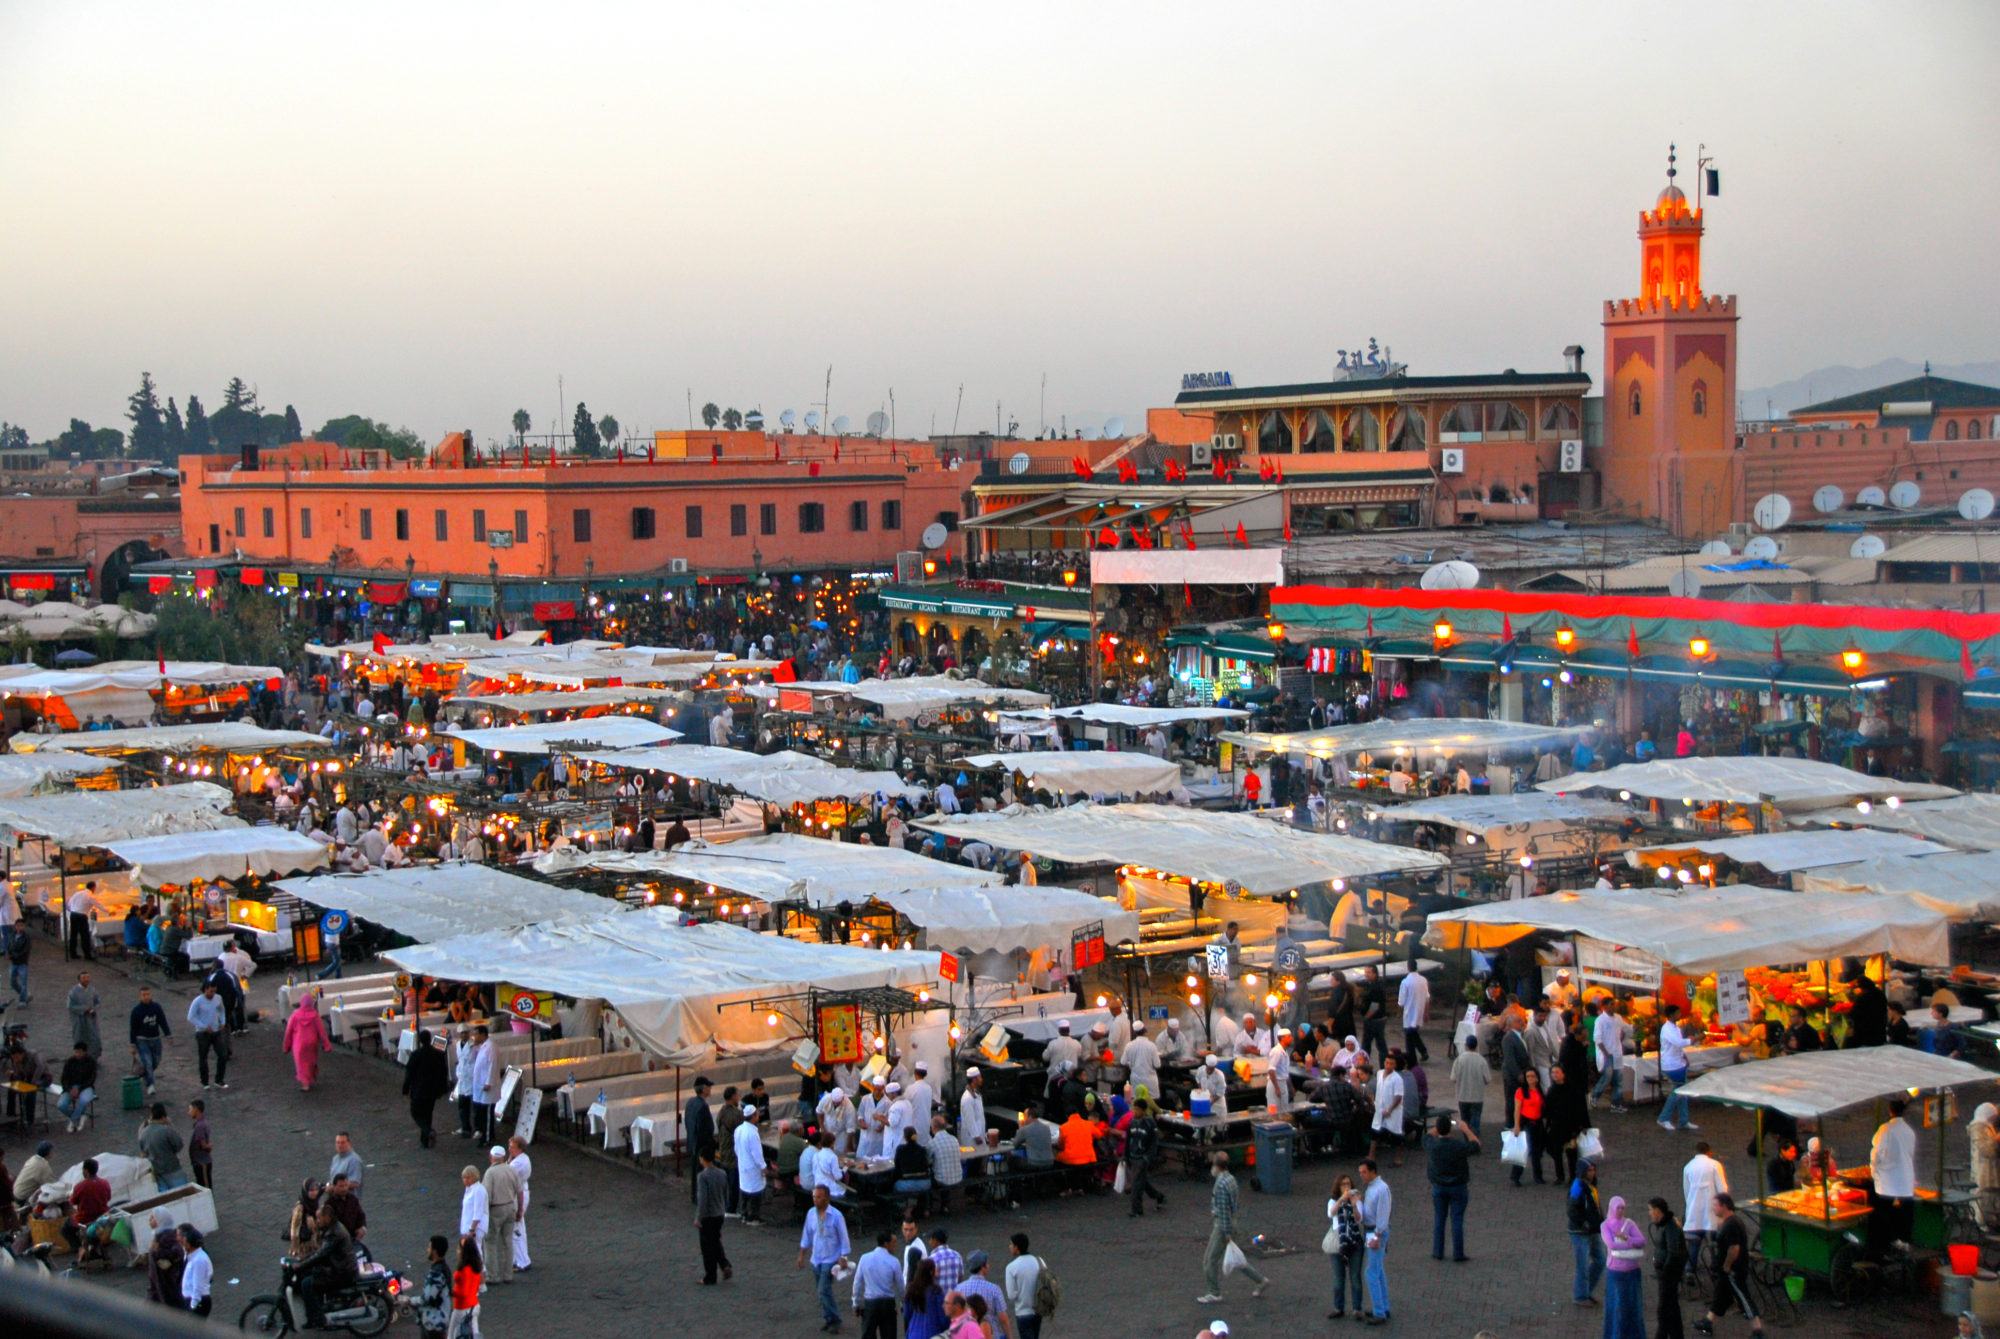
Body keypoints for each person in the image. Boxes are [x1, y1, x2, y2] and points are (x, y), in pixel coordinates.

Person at [1197, 1150, 1269, 1304]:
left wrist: (1227, 1232)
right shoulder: (1231, 1179)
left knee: (1210, 1260)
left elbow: (1223, 1210)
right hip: (1231, 1222)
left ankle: (1214, 1292)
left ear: (1216, 1165)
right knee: (1235, 1257)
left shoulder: (1221, 1184)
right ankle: (1260, 1280)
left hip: (1223, 1226)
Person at [1693, 1194, 1763, 1337]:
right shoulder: (1729, 1221)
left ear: (1724, 1206)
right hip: (1728, 1270)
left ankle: (1758, 1330)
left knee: (1743, 1297)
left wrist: (1726, 1266)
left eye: (1716, 1205)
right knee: (1721, 1295)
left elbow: (1734, 1249)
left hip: (1733, 1269)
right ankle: (1708, 1321)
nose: (1713, 1208)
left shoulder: (1731, 1225)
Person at [1424, 1112, 1478, 1263]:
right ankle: (1458, 1253)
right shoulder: (1458, 1146)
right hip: (1458, 1187)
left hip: (1439, 1186)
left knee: (1439, 1219)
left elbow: (1427, 1136)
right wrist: (1466, 1129)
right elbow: (1476, 1145)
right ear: (1451, 1130)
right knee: (1457, 1220)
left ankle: (1438, 1251)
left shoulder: (1432, 1146)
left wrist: (1436, 1129)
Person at [798, 1183, 852, 1333]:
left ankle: (835, 1319)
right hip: (816, 1259)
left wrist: (843, 1257)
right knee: (822, 1291)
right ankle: (828, 1318)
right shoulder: (810, 1214)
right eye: (814, 1197)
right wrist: (801, 1255)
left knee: (823, 1289)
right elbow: (806, 1235)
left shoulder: (836, 1216)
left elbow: (844, 1238)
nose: (815, 1200)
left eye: (819, 1197)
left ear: (827, 1198)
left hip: (830, 1259)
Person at [1868, 1097, 1917, 1257]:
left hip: (1888, 1178)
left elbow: (1877, 1152)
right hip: (1905, 1176)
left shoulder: (1886, 1129)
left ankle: (1889, 1241)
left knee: (1883, 1210)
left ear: (1890, 1111)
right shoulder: (1909, 1131)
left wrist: (1874, 1170)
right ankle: (1905, 1241)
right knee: (1906, 1210)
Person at [297, 1204, 359, 1327]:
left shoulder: (334, 1233)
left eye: (319, 1218)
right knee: (311, 1276)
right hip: (340, 1267)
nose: (317, 1221)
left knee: (306, 1284)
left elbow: (321, 1254)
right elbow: (321, 1252)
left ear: (327, 1218)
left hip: (341, 1272)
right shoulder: (333, 1228)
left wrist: (300, 1265)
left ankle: (318, 1318)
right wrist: (304, 1259)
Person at [1603, 1196, 1648, 1339]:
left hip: (1632, 1271)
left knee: (1633, 1307)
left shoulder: (1629, 1224)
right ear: (1612, 1208)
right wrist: (1630, 1244)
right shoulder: (1605, 1225)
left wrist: (1627, 1239)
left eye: (1623, 1207)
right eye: (1618, 1207)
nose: (1621, 1210)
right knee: (1617, 1307)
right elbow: (1611, 1245)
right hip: (1616, 1273)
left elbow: (1642, 1241)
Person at [1325, 1172, 1366, 1319]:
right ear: (1339, 1187)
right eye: (1343, 1184)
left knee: (1355, 1276)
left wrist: (1354, 1205)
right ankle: (1338, 1307)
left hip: (1354, 1240)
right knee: (1338, 1277)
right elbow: (1331, 1213)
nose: (1346, 1187)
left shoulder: (1357, 1201)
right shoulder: (1333, 1201)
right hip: (1338, 1241)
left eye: (1348, 1184)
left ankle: (1357, 1308)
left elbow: (1359, 1219)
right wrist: (1341, 1200)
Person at [1357, 1156, 1393, 1324]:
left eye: (1364, 1172)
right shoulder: (1373, 1187)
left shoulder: (1381, 1189)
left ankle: (1380, 1312)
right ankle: (1383, 1307)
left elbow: (1382, 1214)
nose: (1362, 1175)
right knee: (1378, 1271)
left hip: (1375, 1232)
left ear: (1373, 1171)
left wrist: (1378, 1235)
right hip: (1371, 1230)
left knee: (1371, 1273)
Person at [1649, 1197, 1689, 1339]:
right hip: (1667, 1275)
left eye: (1651, 1210)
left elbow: (1673, 1253)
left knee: (1664, 1310)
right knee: (1672, 1307)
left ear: (1658, 1211)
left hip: (1669, 1276)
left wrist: (1664, 1269)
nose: (1650, 1213)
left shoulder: (1670, 1227)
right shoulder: (1665, 1225)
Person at [852, 1227, 903, 1339]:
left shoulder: (864, 1258)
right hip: (888, 1305)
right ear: (886, 1244)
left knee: (868, 1335)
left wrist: (856, 1303)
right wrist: (903, 1303)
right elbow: (901, 1286)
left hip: (870, 1304)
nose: (894, 1245)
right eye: (893, 1242)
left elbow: (857, 1283)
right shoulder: (894, 1262)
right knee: (889, 1335)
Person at [404, 1029, 451, 1147]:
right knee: (428, 1113)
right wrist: (443, 1088)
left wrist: (405, 1089)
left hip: (419, 1089)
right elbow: (443, 1072)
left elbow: (409, 1073)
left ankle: (428, 1131)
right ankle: (425, 1139)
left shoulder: (416, 1055)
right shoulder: (438, 1054)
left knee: (415, 1112)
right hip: (433, 1089)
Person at [482, 1146, 522, 1284]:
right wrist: (520, 1210)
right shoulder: (511, 1170)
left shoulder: (490, 1173)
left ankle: (493, 1276)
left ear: (491, 1157)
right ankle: (508, 1274)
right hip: (511, 1206)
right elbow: (520, 1191)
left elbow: (486, 1196)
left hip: (495, 1209)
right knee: (508, 1241)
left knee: (490, 1242)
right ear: (504, 1157)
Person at [1569, 1158, 1606, 1306]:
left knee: (1600, 1260)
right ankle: (1581, 1296)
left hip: (1592, 1230)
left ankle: (1585, 1291)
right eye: (1589, 1170)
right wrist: (1584, 1224)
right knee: (1582, 1265)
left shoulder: (1591, 1185)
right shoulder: (1578, 1186)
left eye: (1593, 1169)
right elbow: (1571, 1209)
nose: (1592, 1173)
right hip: (1580, 1231)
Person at [1682, 1143, 1729, 1260]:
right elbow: (1722, 1189)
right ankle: (1715, 1266)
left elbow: (1686, 1191)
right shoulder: (1715, 1165)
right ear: (1709, 1152)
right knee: (1715, 1241)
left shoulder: (1688, 1167)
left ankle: (1690, 1269)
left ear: (1695, 1152)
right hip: (1713, 1209)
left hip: (1694, 1209)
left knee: (1694, 1242)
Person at [695, 1146, 732, 1285]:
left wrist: (699, 1218)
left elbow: (702, 1199)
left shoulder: (703, 1176)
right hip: (719, 1213)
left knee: (707, 1246)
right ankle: (724, 1264)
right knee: (715, 1241)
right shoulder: (722, 1173)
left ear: (702, 1159)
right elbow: (725, 1192)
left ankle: (710, 1276)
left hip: (708, 1215)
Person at [61, 1157, 112, 1258]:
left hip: (85, 1219)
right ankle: (93, 1247)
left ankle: (80, 1249)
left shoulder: (80, 1186)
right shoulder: (105, 1183)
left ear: (86, 1171)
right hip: (102, 1217)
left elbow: (72, 1201)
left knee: (65, 1229)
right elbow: (108, 1198)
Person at [1124, 1097, 1167, 1217]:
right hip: (1133, 1156)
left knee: (1136, 1185)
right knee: (1141, 1181)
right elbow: (1128, 1139)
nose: (1135, 1112)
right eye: (1134, 1109)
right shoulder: (1132, 1122)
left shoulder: (1149, 1123)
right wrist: (1125, 1155)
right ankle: (1158, 1196)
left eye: (1137, 1109)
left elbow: (1153, 1142)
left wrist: (1147, 1157)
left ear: (1144, 1110)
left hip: (1143, 1158)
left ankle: (1137, 1210)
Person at [959, 1251, 1014, 1339]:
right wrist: (1009, 1337)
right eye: (987, 1264)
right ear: (982, 1267)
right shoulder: (994, 1289)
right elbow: (1003, 1319)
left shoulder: (959, 1289)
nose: (989, 1266)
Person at [129, 985, 173, 1096]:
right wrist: (133, 1044)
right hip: (142, 1040)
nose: (146, 997)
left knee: (156, 1061)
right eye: (144, 995)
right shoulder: (136, 1011)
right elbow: (133, 1029)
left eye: (148, 994)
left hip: (156, 1039)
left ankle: (146, 1074)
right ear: (140, 996)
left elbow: (163, 1021)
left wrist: (168, 1035)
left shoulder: (156, 1008)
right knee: (147, 1062)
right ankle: (150, 1084)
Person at [285, 992, 333, 1092]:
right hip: (312, 1042)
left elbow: (288, 1031)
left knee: (301, 1064)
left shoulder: (295, 1015)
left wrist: (286, 1046)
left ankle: (305, 1084)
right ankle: (311, 1077)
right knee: (310, 1062)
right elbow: (322, 1031)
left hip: (299, 1043)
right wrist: (327, 1045)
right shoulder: (315, 1015)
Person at [187, 978, 230, 1089]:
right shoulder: (198, 1001)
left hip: (216, 1031)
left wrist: (223, 1021)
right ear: (205, 989)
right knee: (203, 1057)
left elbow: (221, 1010)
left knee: (223, 1055)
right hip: (202, 1033)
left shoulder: (218, 998)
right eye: (210, 991)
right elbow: (191, 1017)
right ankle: (205, 1081)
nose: (212, 994)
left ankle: (219, 1080)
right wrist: (203, 1026)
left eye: (214, 991)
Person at [1657, 1004, 1694, 1132]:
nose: (1680, 1015)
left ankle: (1683, 1120)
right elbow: (1678, 1042)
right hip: (1671, 1064)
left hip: (1678, 1062)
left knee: (1682, 1092)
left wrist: (1684, 1056)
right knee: (1678, 1091)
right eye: (1678, 1013)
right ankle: (1664, 1118)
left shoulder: (1676, 1028)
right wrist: (1693, 1040)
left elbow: (1678, 1045)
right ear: (1672, 1015)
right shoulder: (1666, 1029)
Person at [139, 1102, 188, 1189]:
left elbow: (143, 1151)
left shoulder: (143, 1132)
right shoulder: (167, 1130)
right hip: (172, 1169)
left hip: (156, 1171)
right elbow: (179, 1145)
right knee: (181, 1193)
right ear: (163, 1117)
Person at [1003, 1233, 1044, 1339]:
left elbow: (1011, 1295)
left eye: (1011, 1244)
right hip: (1038, 1310)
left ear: (1017, 1247)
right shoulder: (1039, 1262)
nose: (1010, 1247)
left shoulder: (1011, 1267)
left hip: (1022, 1312)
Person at [1451, 1032, 1492, 1136]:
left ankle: (1466, 1140)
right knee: (1476, 1121)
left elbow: (1453, 1078)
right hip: (1477, 1097)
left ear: (1466, 1045)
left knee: (1465, 1122)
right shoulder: (1481, 1060)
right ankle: (1475, 1141)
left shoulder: (1459, 1060)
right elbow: (1487, 1079)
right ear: (1476, 1045)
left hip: (1463, 1097)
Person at [1370, 1052, 1406, 1166]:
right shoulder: (1380, 1073)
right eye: (1387, 1062)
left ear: (1395, 1065)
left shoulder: (1397, 1078)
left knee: (1396, 1134)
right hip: (1380, 1108)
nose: (1388, 1065)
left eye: (1391, 1063)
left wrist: (1390, 1109)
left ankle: (1398, 1158)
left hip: (1393, 1111)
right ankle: (1371, 1156)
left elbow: (1398, 1096)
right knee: (1375, 1131)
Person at [735, 1103, 768, 1224]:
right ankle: (753, 1217)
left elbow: (736, 1148)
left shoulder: (738, 1130)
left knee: (744, 1189)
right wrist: (763, 1167)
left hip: (743, 1164)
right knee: (755, 1192)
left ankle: (743, 1213)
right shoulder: (753, 1133)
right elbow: (757, 1153)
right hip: (752, 1167)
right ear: (753, 1116)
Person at [1969, 1103, 2000, 1230]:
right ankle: (1979, 1223)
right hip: (1983, 1170)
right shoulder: (1978, 1129)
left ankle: (1989, 1220)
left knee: (1990, 1196)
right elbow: (1986, 1150)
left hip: (1989, 1169)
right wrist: (1997, 1138)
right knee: (1981, 1196)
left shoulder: (1986, 1127)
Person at [416, 1235, 453, 1339]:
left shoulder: (436, 1273)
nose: (427, 1250)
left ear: (435, 1251)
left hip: (434, 1321)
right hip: (441, 1319)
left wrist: (409, 1301)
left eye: (429, 1247)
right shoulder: (445, 1268)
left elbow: (428, 1298)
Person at [506, 1136, 533, 1272]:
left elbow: (505, 1175)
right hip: (522, 1191)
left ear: (520, 1148)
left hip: (518, 1195)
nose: (509, 1149)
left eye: (512, 1147)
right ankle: (520, 1259)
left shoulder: (517, 1163)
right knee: (519, 1227)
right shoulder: (523, 1159)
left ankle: (522, 1261)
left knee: (515, 1229)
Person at [57, 1040, 97, 1132]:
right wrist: (69, 1089)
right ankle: (79, 1116)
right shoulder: (70, 1062)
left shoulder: (91, 1062)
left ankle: (73, 1120)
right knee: (61, 1105)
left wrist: (79, 1088)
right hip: (71, 1088)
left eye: (79, 1052)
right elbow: (64, 1078)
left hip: (85, 1087)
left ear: (84, 1052)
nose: (77, 1054)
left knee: (84, 1101)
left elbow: (91, 1080)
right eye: (76, 1052)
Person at [447, 1235, 482, 1339]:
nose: (457, 1251)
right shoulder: (476, 1267)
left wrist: (451, 1292)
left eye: (459, 1249)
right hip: (474, 1305)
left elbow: (462, 1293)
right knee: (474, 1334)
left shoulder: (463, 1271)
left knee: (452, 1335)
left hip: (461, 1308)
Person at [905, 1257, 948, 1339]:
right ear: (931, 1272)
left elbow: (907, 1314)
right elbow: (943, 1317)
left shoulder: (911, 1289)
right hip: (933, 1333)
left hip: (914, 1333)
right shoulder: (937, 1292)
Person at [179, 1225, 214, 1318]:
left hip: (198, 1301)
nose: (183, 1243)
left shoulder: (199, 1260)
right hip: (191, 1299)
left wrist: (193, 1306)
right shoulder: (192, 1256)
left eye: (185, 1241)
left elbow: (198, 1285)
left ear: (190, 1244)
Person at [1398, 967, 1431, 1064]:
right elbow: (1427, 998)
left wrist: (1399, 1012)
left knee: (1409, 1037)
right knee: (1413, 1034)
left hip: (1409, 1013)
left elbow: (1401, 1001)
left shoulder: (1405, 982)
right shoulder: (1423, 980)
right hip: (1419, 1012)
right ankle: (1423, 1051)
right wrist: (1426, 1012)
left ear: (1408, 968)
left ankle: (1412, 1059)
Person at [68, 968, 102, 1057]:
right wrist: (84, 1009)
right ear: (79, 980)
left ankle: (94, 1055)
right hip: (79, 1019)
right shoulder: (74, 992)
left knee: (94, 1037)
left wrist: (93, 1009)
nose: (86, 980)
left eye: (88, 977)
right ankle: (81, 1055)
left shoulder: (92, 990)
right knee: (80, 1037)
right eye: (84, 978)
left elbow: (97, 1002)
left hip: (91, 1019)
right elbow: (70, 1006)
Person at [458, 1165, 489, 1258]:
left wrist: (472, 1229)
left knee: (475, 1250)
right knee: (471, 1251)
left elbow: (478, 1211)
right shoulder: (469, 1189)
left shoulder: (478, 1190)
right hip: (469, 1227)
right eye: (464, 1178)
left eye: (468, 1178)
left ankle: (480, 1269)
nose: (465, 1180)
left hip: (476, 1227)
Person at [187, 1100, 213, 1190]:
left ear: (196, 1110)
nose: (189, 1112)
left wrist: (209, 1145)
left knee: (205, 1188)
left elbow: (204, 1145)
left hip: (201, 1162)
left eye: (190, 1109)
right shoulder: (201, 1124)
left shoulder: (199, 1126)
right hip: (200, 1161)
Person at [959, 1067, 988, 1146]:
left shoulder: (976, 1095)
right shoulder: (967, 1098)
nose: (981, 1079)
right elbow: (969, 1119)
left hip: (980, 1134)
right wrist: (976, 1136)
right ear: (974, 1080)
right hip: (972, 1139)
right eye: (979, 1077)